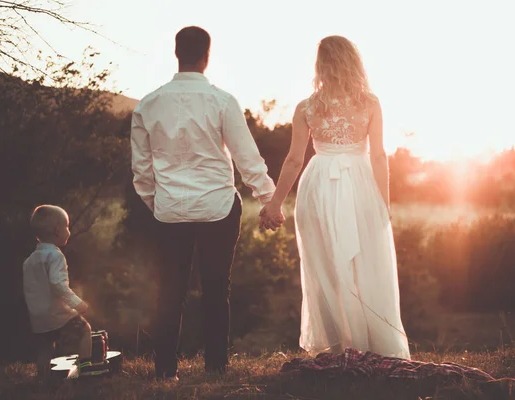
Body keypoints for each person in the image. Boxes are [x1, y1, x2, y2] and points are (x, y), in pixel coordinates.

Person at [131, 26, 276, 380]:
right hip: (218, 208)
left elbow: (142, 171)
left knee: (170, 290)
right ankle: (216, 369)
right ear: (207, 56)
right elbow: (246, 157)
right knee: (215, 288)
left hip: (169, 211)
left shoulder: (147, 104)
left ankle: (166, 371)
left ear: (176, 53)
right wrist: (269, 198)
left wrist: (159, 204)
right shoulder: (222, 101)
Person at [260, 35, 411, 359]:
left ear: (321, 65)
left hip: (319, 185)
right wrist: (382, 205)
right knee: (363, 262)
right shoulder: (370, 102)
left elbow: (294, 161)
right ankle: (367, 345)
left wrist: (275, 203)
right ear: (353, 61)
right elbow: (379, 156)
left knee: (324, 264)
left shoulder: (307, 107)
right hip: (358, 182)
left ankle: (337, 346)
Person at [23, 205, 107, 380]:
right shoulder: (55, 256)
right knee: (85, 330)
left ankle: (43, 380)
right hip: (57, 315)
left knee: (46, 348)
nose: (69, 231)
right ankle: (85, 369)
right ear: (57, 230)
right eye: (67, 227)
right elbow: (58, 284)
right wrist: (77, 303)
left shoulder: (30, 261)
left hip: (38, 317)